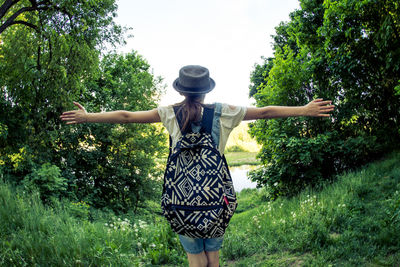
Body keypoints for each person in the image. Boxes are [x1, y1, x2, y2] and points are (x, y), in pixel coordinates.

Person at [60, 65, 334, 267]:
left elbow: (126, 116)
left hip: (181, 201)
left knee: (195, 257)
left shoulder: (169, 113)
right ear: (205, 91)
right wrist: (304, 109)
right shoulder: (224, 112)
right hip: (216, 200)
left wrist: (87, 117)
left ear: (180, 90)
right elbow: (264, 112)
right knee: (212, 257)